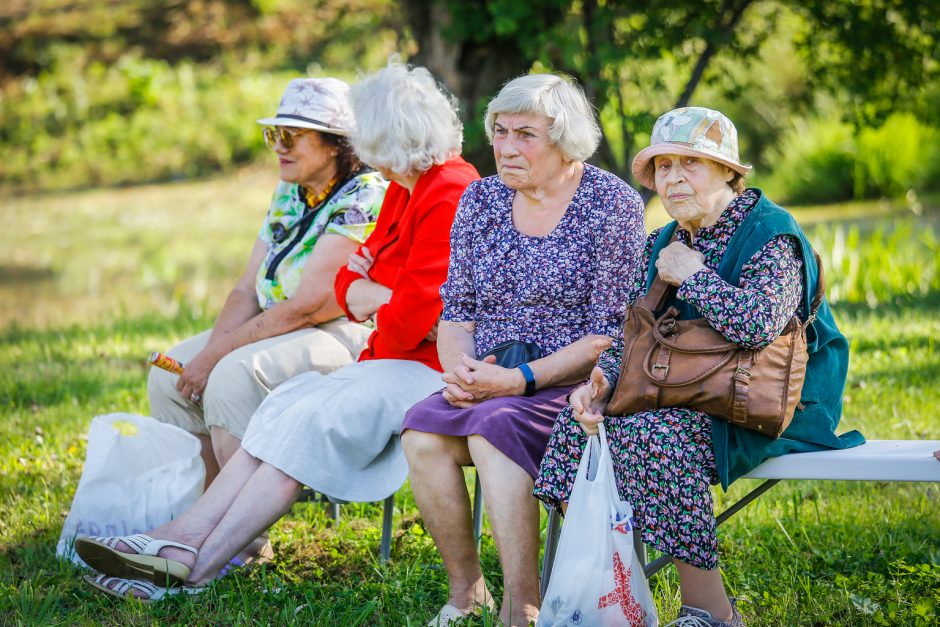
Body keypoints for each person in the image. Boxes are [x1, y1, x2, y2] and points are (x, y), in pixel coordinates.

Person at [75, 60, 480, 602]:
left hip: (418, 369)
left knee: (294, 424)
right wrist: (375, 294)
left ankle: (192, 568)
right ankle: (181, 541)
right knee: (282, 412)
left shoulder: (448, 189)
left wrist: (373, 295)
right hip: (386, 359)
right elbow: (349, 282)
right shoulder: (409, 189)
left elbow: (404, 320)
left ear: (385, 132)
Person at [534, 107, 865, 627]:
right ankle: (603, 589)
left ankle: (709, 611)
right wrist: (603, 382)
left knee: (655, 435)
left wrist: (695, 276)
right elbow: (637, 329)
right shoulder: (665, 239)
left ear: (728, 172)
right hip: (692, 392)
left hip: (775, 404)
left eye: (692, 163)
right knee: (574, 432)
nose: (675, 178)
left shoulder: (771, 234)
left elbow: (757, 325)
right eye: (664, 167)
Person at [400, 74, 646, 627]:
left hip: (574, 386)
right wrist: (461, 370)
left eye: (525, 134)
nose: (507, 147)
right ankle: (467, 594)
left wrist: (518, 382)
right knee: (421, 434)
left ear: (567, 141)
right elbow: (456, 312)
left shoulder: (613, 205)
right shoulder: (481, 199)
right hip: (491, 377)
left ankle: (522, 605)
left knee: (494, 431)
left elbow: (610, 333)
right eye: (499, 132)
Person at [148, 77, 387, 490]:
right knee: (171, 379)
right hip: (277, 323)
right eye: (273, 134)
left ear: (336, 144)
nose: (279, 146)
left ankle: (244, 543)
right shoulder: (291, 190)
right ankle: (201, 515)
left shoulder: (364, 195)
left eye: (292, 136)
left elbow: (312, 304)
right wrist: (206, 355)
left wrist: (217, 359)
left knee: (229, 378)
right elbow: (246, 288)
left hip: (343, 332)